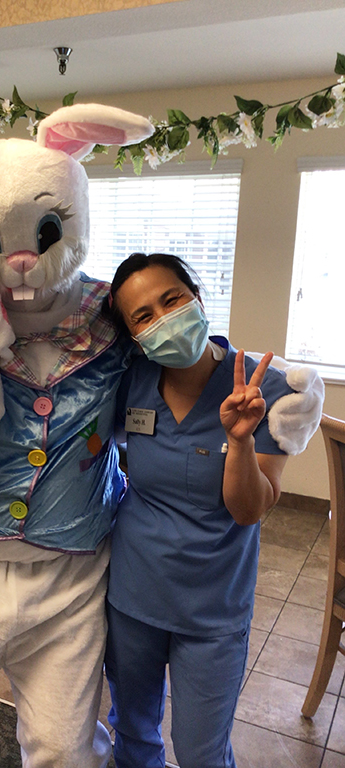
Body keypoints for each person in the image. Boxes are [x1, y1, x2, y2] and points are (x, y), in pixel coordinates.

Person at [102, 252, 293, 768]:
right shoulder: (132, 380)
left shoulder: (263, 389)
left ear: (197, 297)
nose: (163, 318)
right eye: (143, 316)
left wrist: (241, 441)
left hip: (213, 607)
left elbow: (251, 509)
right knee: (134, 734)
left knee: (201, 751)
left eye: (172, 299)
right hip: (133, 594)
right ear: (133, 334)